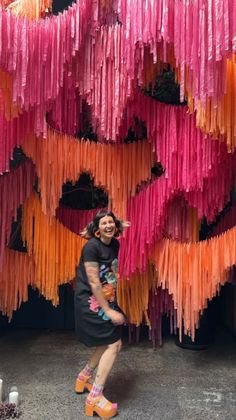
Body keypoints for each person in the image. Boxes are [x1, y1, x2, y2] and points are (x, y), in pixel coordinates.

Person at [74, 210, 129, 418]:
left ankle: (84, 377)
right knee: (114, 343)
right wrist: (107, 310)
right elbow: (94, 281)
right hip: (89, 300)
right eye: (104, 223)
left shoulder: (115, 244)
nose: (108, 225)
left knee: (107, 342)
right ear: (97, 230)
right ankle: (94, 397)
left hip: (106, 298)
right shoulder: (91, 248)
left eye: (111, 222)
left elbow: (110, 273)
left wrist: (112, 300)